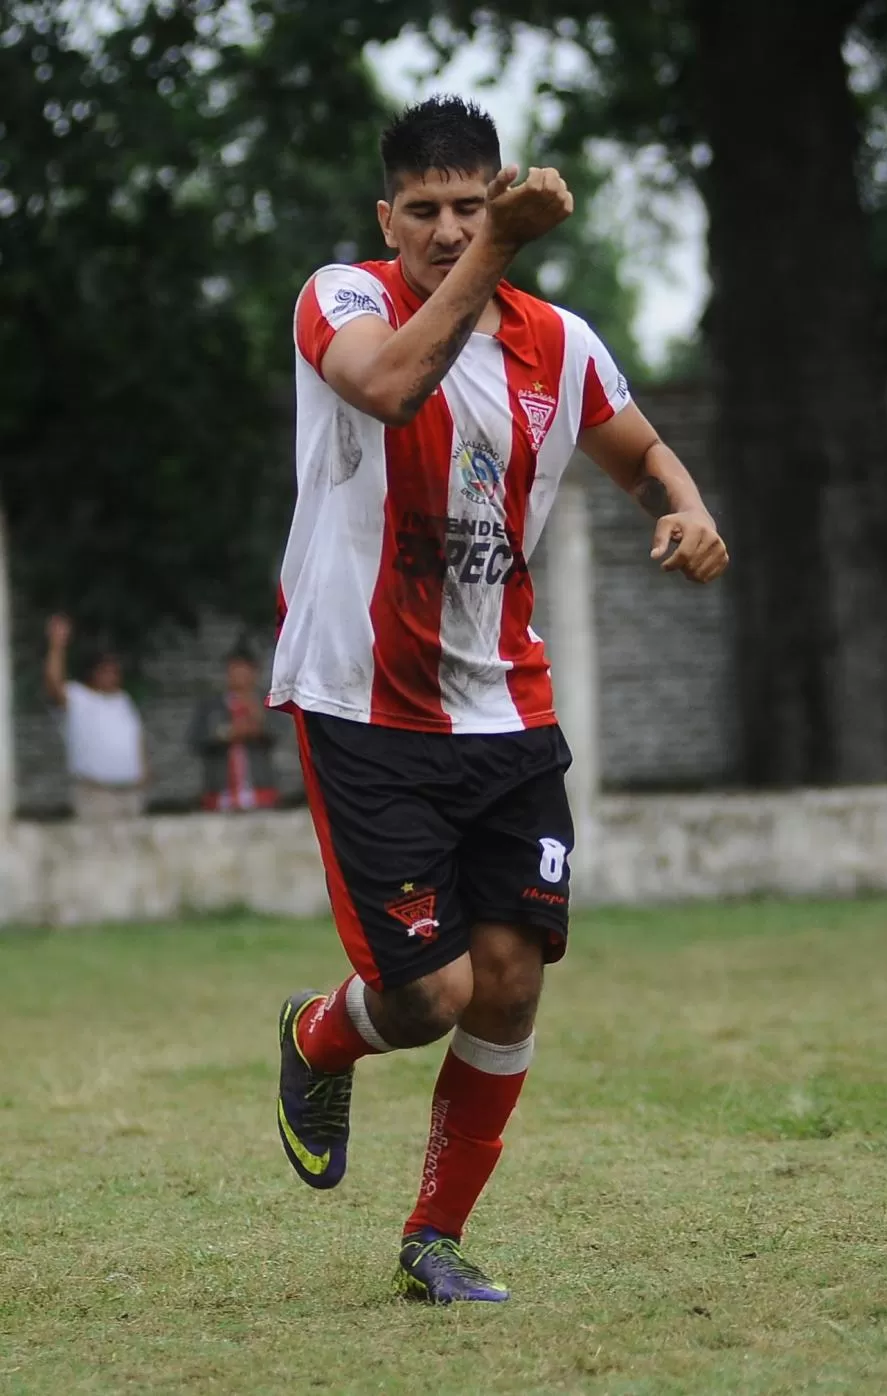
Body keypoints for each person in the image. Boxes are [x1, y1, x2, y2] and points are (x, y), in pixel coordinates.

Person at [269, 95, 729, 1305]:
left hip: (506, 710)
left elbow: (640, 452)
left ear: (492, 196)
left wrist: (684, 506)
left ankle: (433, 1238)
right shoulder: (344, 298)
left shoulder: (559, 344)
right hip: (363, 704)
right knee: (429, 998)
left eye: (469, 206)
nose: (444, 228)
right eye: (422, 210)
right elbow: (389, 390)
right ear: (387, 217)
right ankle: (323, 1035)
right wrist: (501, 248)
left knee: (515, 977)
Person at [43, 614, 148, 820]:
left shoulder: (123, 701)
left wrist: (144, 773)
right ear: (93, 674)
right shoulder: (79, 698)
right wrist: (57, 646)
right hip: (97, 794)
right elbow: (54, 684)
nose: (112, 676)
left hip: (130, 791)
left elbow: (137, 739)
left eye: (115, 672)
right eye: (106, 671)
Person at [188, 640, 279, 812]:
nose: (239, 676)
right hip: (221, 792)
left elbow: (279, 733)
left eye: (244, 671)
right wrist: (226, 734)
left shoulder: (267, 703)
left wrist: (257, 722)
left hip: (259, 790)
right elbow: (196, 738)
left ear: (254, 673)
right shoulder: (211, 706)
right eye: (235, 670)